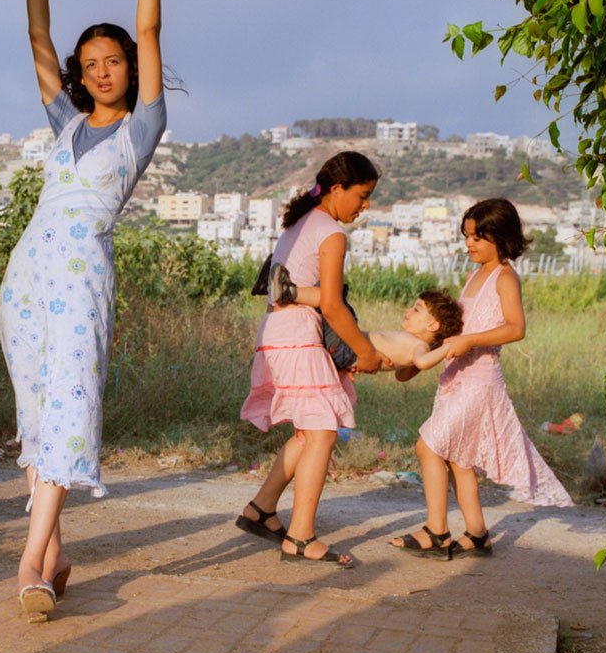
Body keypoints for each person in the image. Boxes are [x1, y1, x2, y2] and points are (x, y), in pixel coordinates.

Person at [0, 0, 167, 620]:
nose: (101, 73)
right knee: (39, 412)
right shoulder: (65, 122)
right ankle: (57, 552)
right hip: (26, 275)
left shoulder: (143, 126)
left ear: (129, 67)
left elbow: (150, 31)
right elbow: (38, 36)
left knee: (70, 406)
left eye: (113, 62)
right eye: (90, 65)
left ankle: (31, 561)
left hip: (82, 274)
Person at [390, 199, 572, 559]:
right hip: (455, 377)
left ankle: (437, 531)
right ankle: (476, 534)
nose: (469, 243)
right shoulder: (475, 274)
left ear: (500, 238)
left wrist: (471, 341)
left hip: (480, 381)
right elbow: (461, 327)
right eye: (467, 236)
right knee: (460, 458)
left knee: (429, 446)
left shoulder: (505, 276)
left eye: (477, 237)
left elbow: (516, 328)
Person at [236, 152, 383, 567]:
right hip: (298, 338)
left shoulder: (297, 224)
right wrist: (366, 352)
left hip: (277, 336)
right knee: (322, 432)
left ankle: (261, 510)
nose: (365, 205)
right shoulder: (331, 232)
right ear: (337, 189)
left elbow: (291, 291)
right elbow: (334, 306)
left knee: (308, 431)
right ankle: (300, 538)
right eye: (363, 195)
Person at [267, 270, 465, 373]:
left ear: (433, 325)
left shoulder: (420, 347)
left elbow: (422, 363)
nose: (408, 311)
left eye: (416, 309)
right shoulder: (415, 344)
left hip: (345, 350)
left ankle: (287, 291)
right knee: (333, 298)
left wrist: (448, 347)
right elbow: (401, 375)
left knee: (333, 299)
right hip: (344, 348)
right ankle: (275, 288)